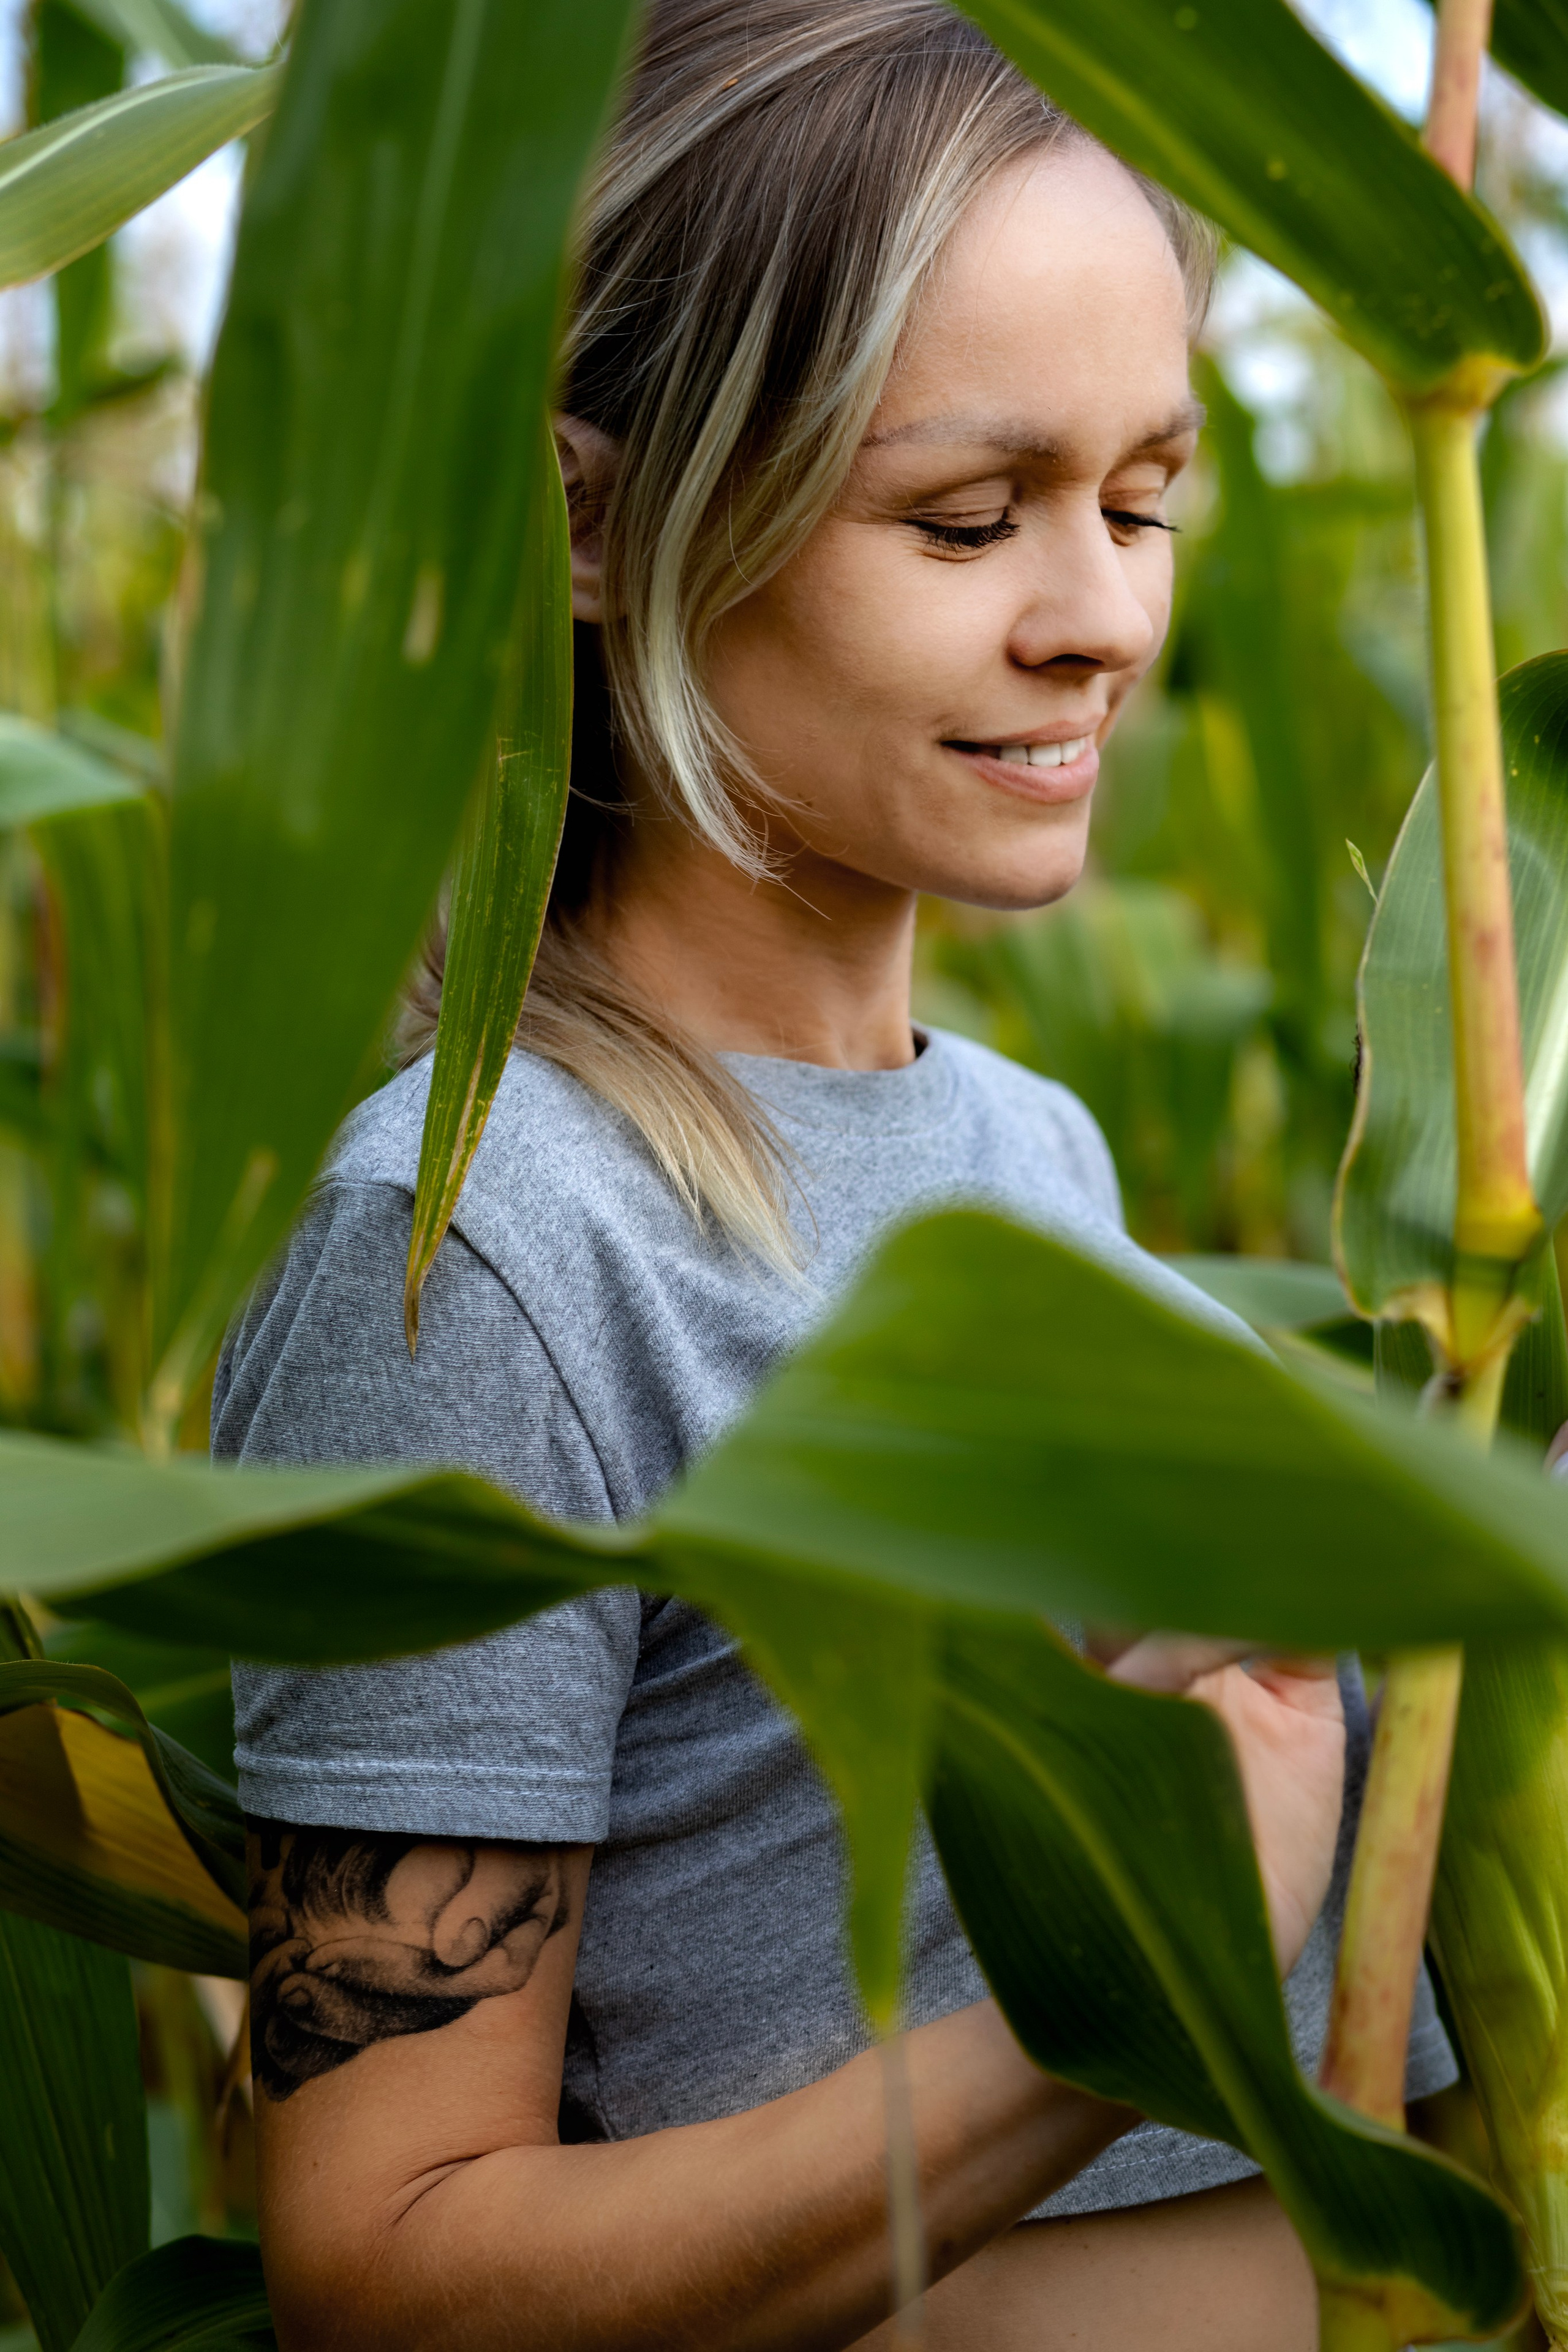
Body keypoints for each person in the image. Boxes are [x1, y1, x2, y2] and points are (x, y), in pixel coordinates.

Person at [216, 2, 1455, 2343]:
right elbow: (387, 2274)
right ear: (592, 525)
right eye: (969, 517)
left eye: (1147, 499)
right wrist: (1119, 2005)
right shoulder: (484, 1251)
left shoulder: (1027, 1154)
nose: (1098, 612)